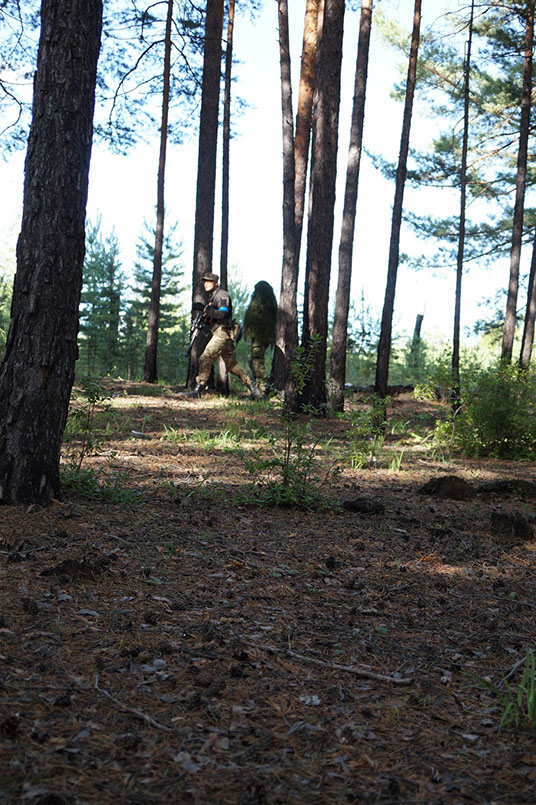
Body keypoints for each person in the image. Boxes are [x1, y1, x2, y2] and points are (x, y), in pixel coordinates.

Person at [184, 273, 262, 399]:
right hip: (223, 332)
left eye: (209, 282)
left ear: (216, 283)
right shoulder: (214, 296)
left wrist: (206, 310)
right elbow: (213, 317)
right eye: (205, 282)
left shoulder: (222, 295)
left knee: (205, 357)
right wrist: (204, 313)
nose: (206, 284)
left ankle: (197, 390)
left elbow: (222, 314)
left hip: (223, 332)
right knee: (231, 365)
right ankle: (255, 391)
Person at [243, 280, 277, 395]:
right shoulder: (271, 306)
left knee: (257, 361)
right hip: (262, 337)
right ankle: (258, 386)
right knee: (253, 361)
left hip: (259, 337)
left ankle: (262, 389)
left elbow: (254, 322)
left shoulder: (259, 306)